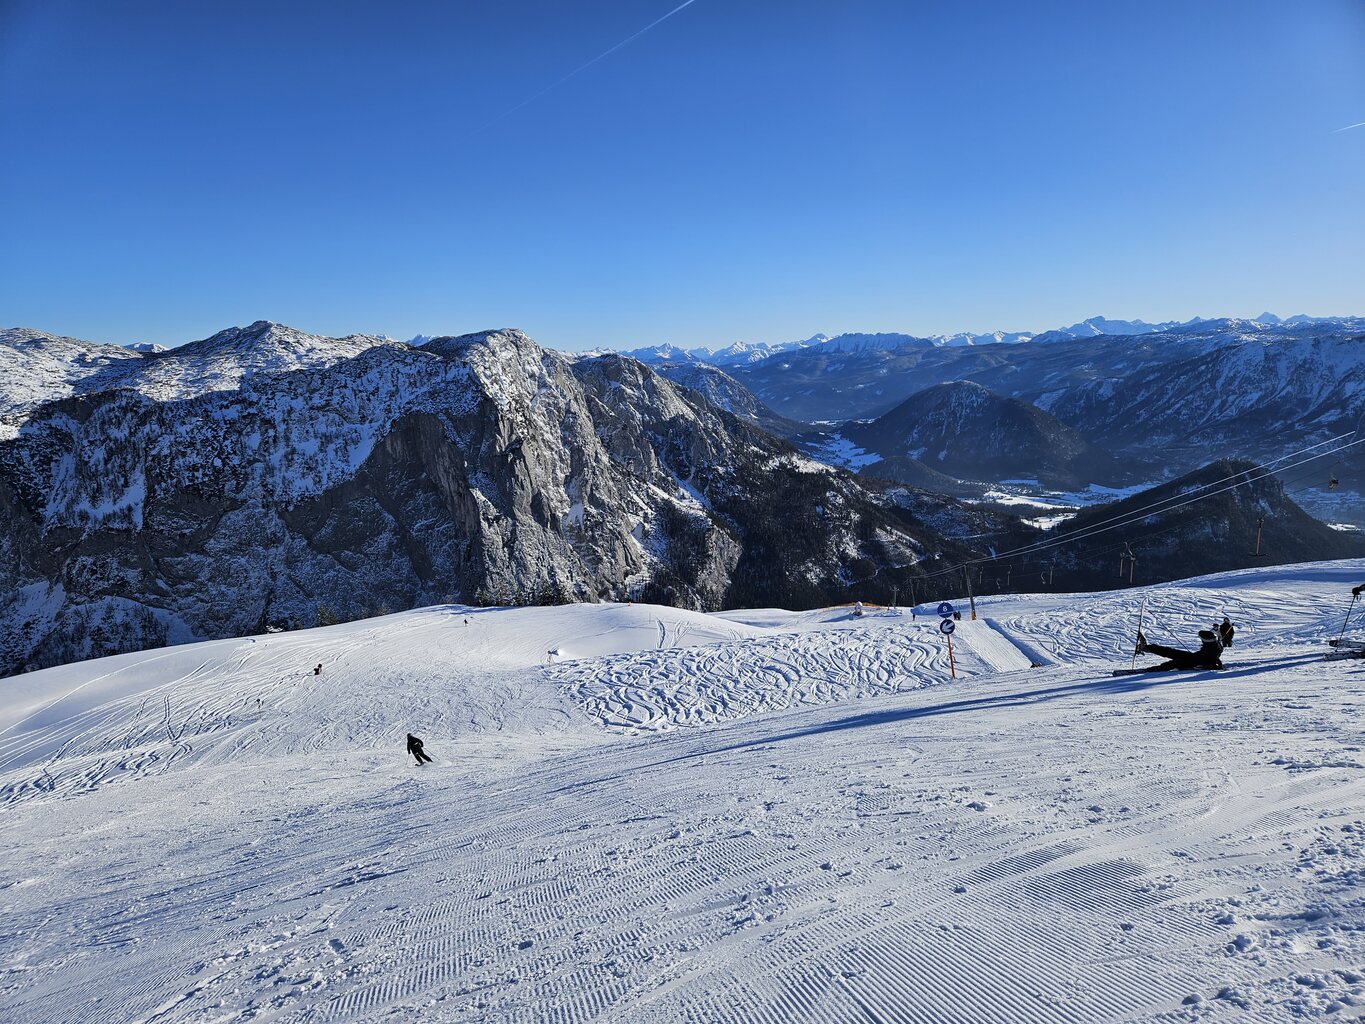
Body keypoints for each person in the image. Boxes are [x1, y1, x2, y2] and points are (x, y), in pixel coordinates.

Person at [1136, 629, 1224, 671]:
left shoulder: (1212, 650)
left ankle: (1152, 669)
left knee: (1175, 662)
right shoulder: (1215, 645)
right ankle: (1147, 648)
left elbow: (1215, 663)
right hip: (1195, 658)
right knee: (1172, 652)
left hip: (1195, 662)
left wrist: (1205, 666)